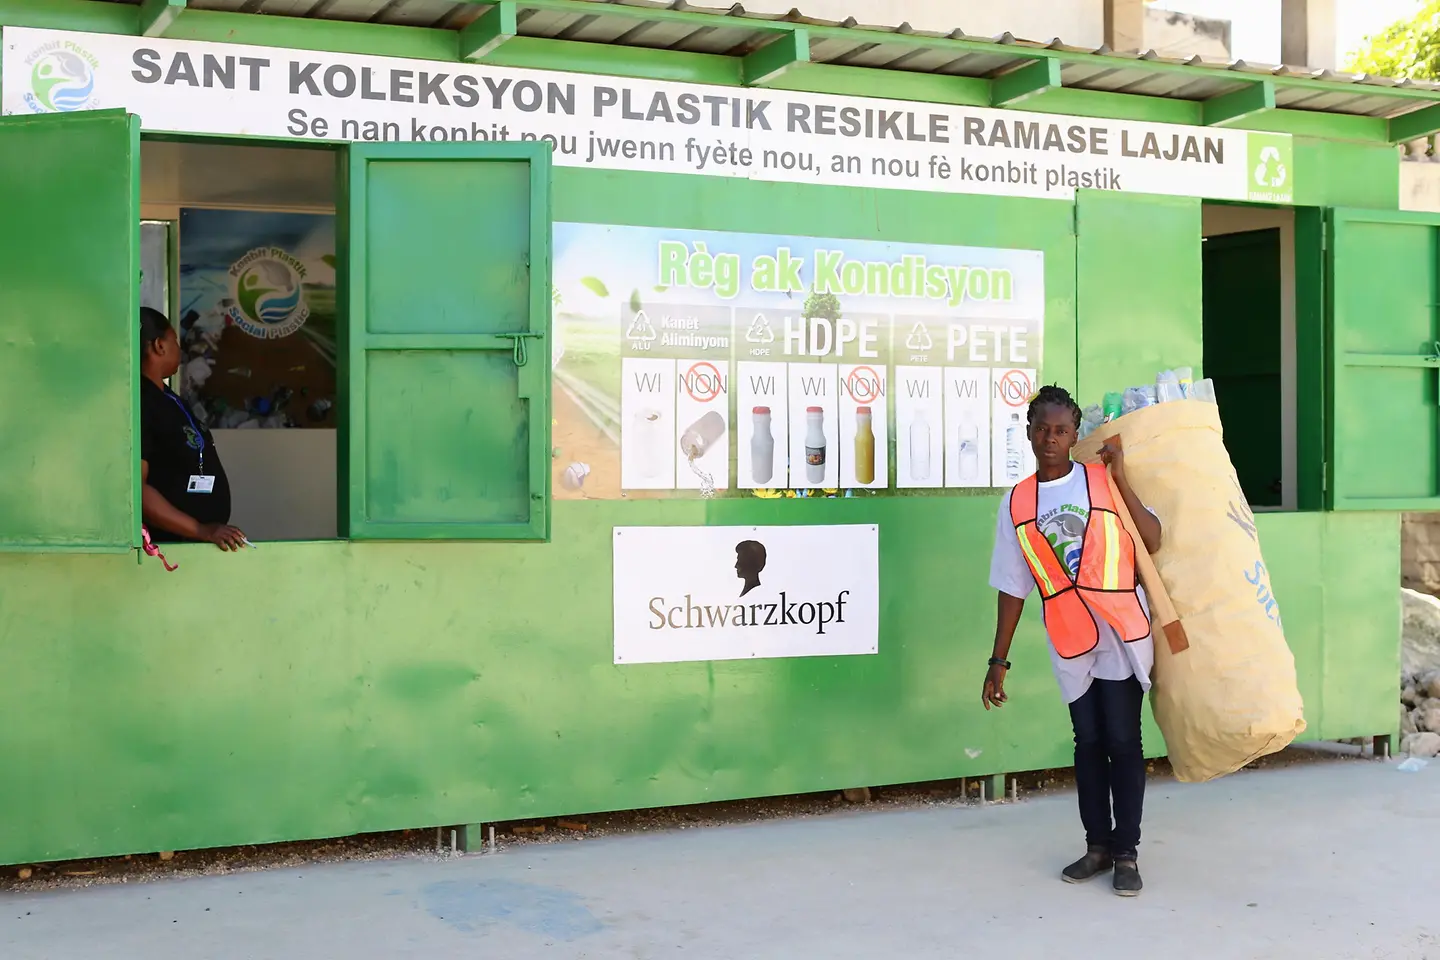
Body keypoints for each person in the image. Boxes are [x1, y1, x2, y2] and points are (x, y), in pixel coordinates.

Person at [981, 385, 1162, 897]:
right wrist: (999, 659)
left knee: (1124, 741)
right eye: (1041, 429)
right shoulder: (1017, 502)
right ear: (1029, 432)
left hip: (1122, 632)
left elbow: (1151, 538)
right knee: (1088, 743)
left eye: (1061, 430)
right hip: (1070, 637)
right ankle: (1097, 846)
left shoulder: (1102, 481)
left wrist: (1123, 477)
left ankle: (1126, 852)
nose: (1050, 439)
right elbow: (1012, 584)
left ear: (1075, 434)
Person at [138, 307, 246, 550]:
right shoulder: (141, 401)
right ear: (159, 346)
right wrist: (202, 529)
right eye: (174, 341)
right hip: (171, 546)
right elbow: (138, 488)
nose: (180, 348)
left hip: (194, 544)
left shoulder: (165, 396)